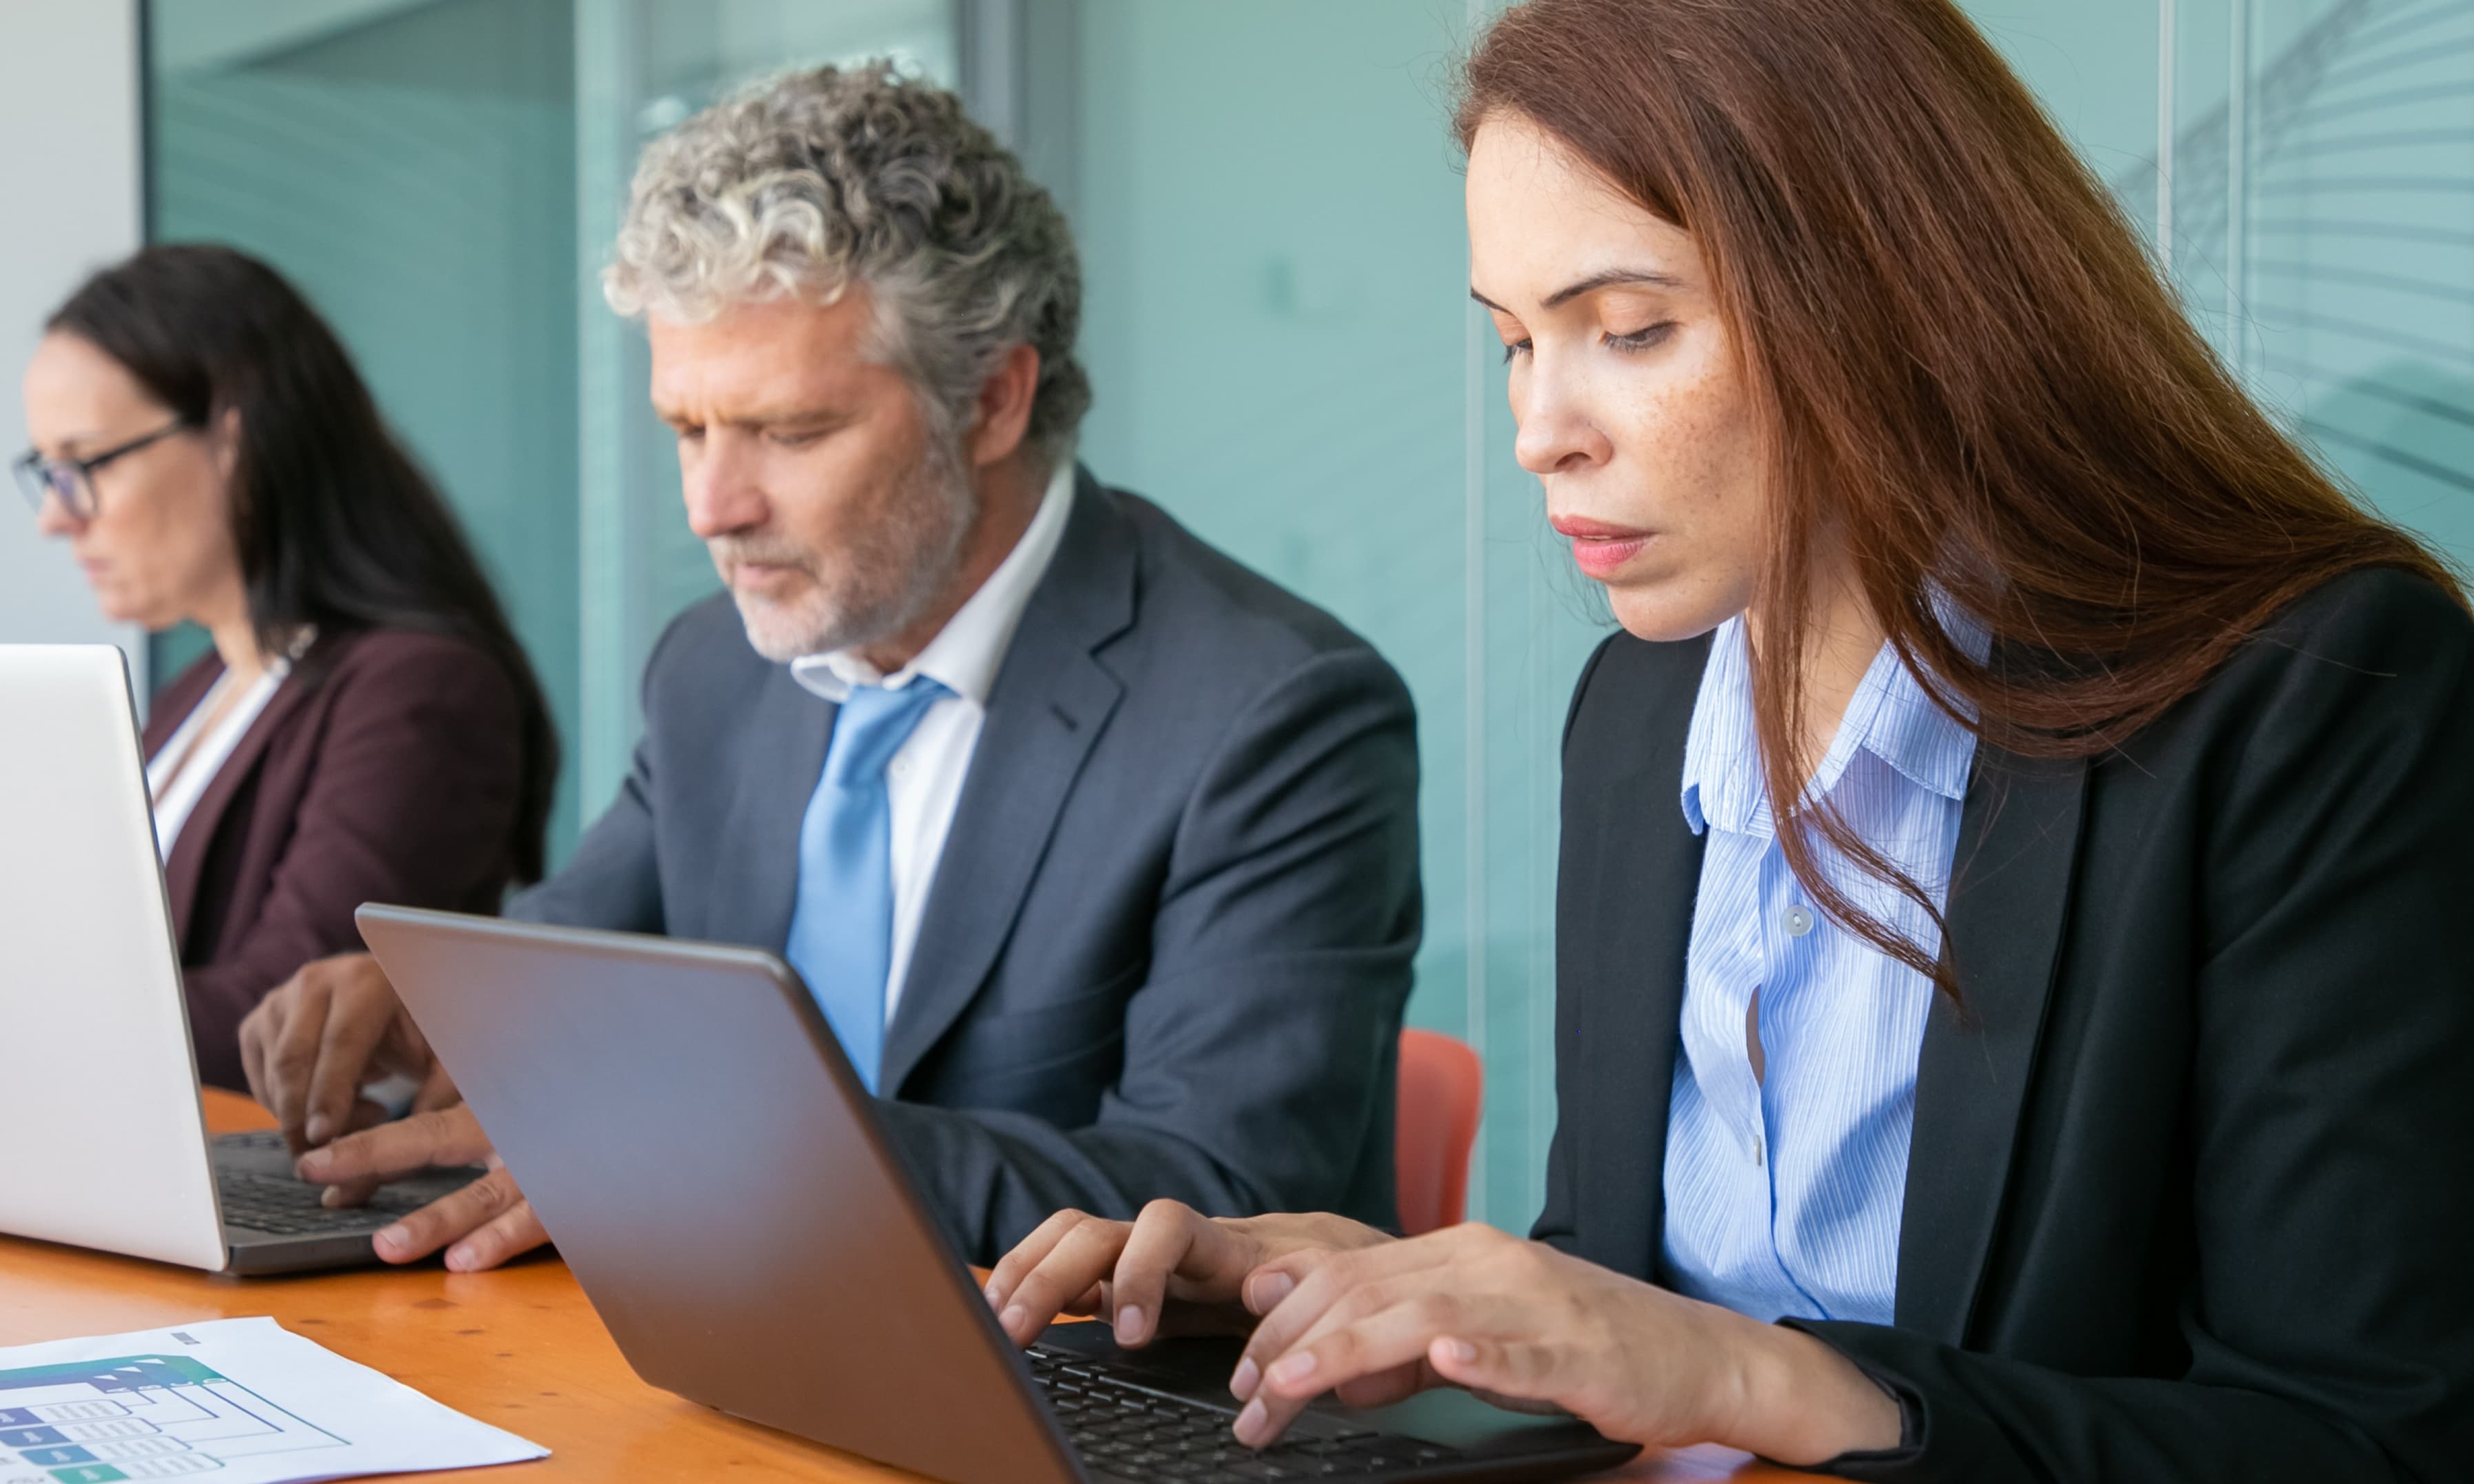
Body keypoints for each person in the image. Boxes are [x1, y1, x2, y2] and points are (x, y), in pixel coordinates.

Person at [982, 1, 2474, 1479]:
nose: (1538, 429)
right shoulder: (1640, 714)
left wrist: (1754, 1377)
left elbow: (2361, 1440)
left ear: (1894, 292)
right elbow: (1622, 1279)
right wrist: (1390, 1297)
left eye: (1628, 329)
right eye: (1514, 340)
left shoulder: (2318, 697)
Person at [238, 65, 1423, 1272]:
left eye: (791, 433)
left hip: (1095, 1403)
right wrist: (424, 1010)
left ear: (995, 397)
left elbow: (1221, 1191)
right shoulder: (713, 668)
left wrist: (731, 1151)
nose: (713, 507)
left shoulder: (1272, 712)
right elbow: (566, 974)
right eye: (687, 430)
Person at [19, 244, 560, 1092]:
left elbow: (287, 1018)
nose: (57, 518)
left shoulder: (419, 691)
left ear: (234, 439)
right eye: (46, 472)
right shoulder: (198, 691)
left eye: (84, 466)